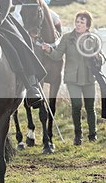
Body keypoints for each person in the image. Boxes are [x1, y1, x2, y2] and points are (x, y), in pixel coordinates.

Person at [42, 12, 100, 145]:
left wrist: (98, 58)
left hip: (89, 77)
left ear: (87, 26)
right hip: (72, 78)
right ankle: (78, 136)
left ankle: (92, 134)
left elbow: (99, 59)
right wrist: (49, 50)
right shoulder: (67, 38)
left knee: (90, 106)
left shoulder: (92, 39)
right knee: (76, 105)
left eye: (82, 22)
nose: (78, 24)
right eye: (77, 21)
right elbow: (57, 56)